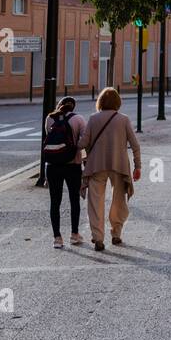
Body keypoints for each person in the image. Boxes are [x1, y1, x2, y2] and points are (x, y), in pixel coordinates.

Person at [79, 87, 141, 252]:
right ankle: (116, 233)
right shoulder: (123, 119)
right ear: (117, 102)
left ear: (100, 102)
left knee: (95, 202)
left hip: (96, 166)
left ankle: (98, 237)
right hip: (119, 166)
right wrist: (138, 166)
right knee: (119, 200)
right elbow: (135, 145)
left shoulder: (93, 119)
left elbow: (82, 143)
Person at [43, 96, 85, 249]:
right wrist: (76, 148)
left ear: (59, 105)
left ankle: (57, 238)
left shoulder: (50, 118)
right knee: (74, 199)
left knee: (55, 201)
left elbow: (49, 136)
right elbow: (86, 139)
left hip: (53, 165)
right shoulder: (78, 119)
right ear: (73, 107)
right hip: (72, 165)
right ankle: (74, 234)